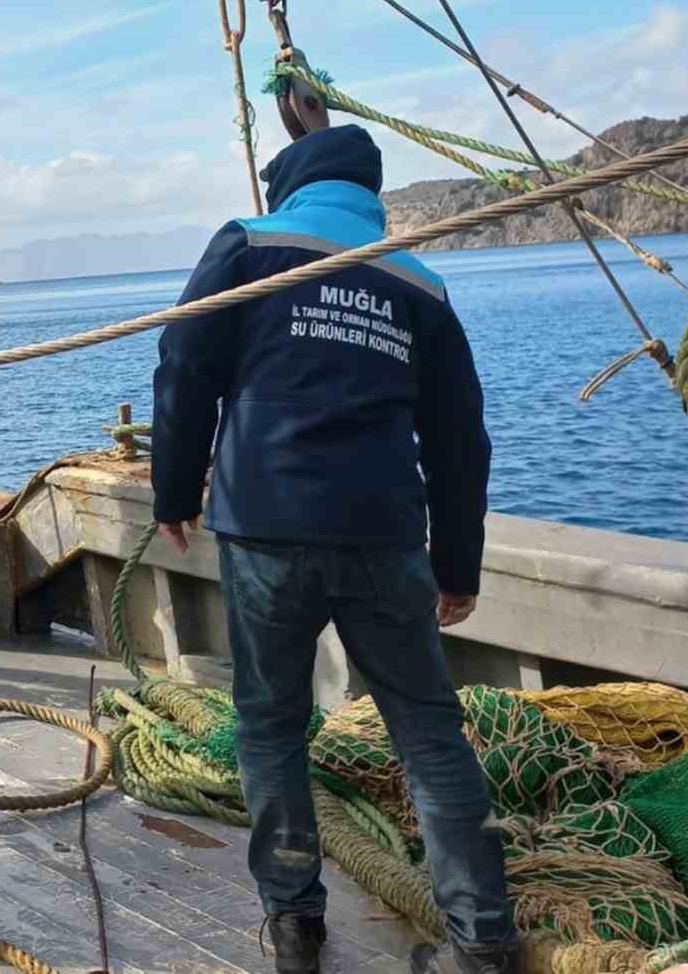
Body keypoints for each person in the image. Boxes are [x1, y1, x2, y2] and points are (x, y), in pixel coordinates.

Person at [148, 123, 517, 974]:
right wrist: (458, 563)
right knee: (428, 735)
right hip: (385, 538)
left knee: (271, 725)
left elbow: (184, 363)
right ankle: (485, 943)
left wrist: (173, 492)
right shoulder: (419, 280)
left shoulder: (248, 244)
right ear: (370, 192)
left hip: (265, 529)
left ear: (292, 182)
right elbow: (461, 438)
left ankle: (294, 926)